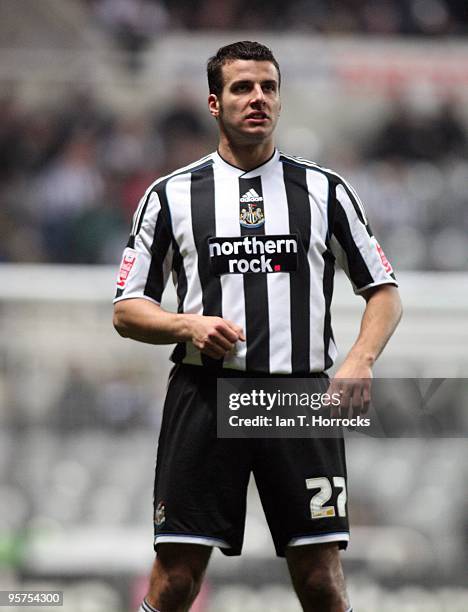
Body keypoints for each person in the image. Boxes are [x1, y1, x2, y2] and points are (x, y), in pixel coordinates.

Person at [113, 41, 402, 612]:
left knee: (319, 576)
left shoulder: (325, 191)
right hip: (204, 394)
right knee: (176, 578)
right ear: (215, 103)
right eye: (243, 88)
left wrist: (360, 358)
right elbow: (126, 309)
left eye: (269, 87)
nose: (258, 99)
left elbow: (384, 293)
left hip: (297, 397)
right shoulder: (170, 196)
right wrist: (186, 325)